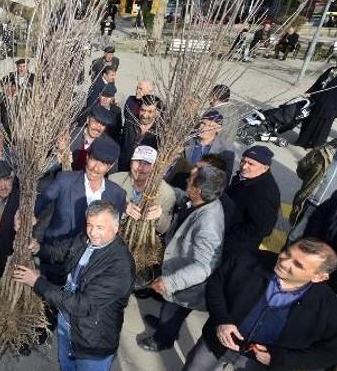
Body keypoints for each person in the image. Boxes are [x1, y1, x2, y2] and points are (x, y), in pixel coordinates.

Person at [182, 239, 337, 371]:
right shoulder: (248, 259)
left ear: (319, 277)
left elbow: (334, 351)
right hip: (216, 342)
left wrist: (281, 359)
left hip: (263, 365)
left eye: (298, 265)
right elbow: (216, 284)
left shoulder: (329, 310)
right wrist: (221, 320)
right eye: (287, 253)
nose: (284, 262)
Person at [14, 201, 135, 371]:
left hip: (91, 341)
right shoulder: (85, 238)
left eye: (100, 227)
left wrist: (37, 282)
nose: (93, 232)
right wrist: (39, 248)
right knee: (66, 365)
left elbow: (82, 304)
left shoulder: (120, 267)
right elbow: (61, 251)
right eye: (89, 225)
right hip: (66, 322)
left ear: (116, 228)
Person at [138, 165, 226, 352]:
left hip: (185, 284)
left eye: (190, 180)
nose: (187, 179)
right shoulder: (202, 200)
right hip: (178, 270)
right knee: (168, 308)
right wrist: (159, 182)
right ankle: (163, 324)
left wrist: (171, 282)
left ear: (198, 191)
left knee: (173, 312)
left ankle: (163, 339)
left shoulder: (208, 224)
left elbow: (204, 266)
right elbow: (182, 197)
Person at [34, 135, 127, 278]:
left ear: (111, 166)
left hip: (88, 267)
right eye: (94, 159)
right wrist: (27, 214)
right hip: (53, 257)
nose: (95, 168)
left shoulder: (117, 194)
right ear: (87, 156)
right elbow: (41, 201)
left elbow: (111, 232)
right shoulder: (65, 180)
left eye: (103, 163)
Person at [288, 131, 337, 243]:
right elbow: (302, 169)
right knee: (295, 241)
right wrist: (311, 184)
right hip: (312, 205)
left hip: (334, 213)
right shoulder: (327, 152)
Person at [223, 146, 280, 256]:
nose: (244, 166)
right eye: (243, 161)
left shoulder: (264, 193)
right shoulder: (247, 178)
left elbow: (263, 229)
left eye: (251, 164)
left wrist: (229, 233)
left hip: (235, 248)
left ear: (265, 167)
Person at [109, 145, 177, 235]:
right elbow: (100, 209)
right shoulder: (114, 180)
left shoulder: (167, 194)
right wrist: (121, 207)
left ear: (155, 168)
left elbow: (164, 229)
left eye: (147, 163)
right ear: (130, 163)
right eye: (137, 161)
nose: (140, 168)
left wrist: (159, 216)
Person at [303, 175, 337, 296]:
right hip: (314, 251)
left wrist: (329, 260)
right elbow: (317, 217)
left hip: (336, 271)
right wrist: (313, 242)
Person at [166, 110, 235, 189]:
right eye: (203, 123)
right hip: (176, 184)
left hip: (200, 191)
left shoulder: (226, 149)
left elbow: (225, 179)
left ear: (218, 129)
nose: (204, 128)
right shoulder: (187, 139)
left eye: (210, 126)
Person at [296, 54, 337, 149]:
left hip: (333, 104)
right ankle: (303, 141)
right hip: (318, 100)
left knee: (323, 127)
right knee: (310, 121)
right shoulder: (331, 70)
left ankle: (315, 146)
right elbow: (318, 83)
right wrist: (309, 92)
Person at [118, 95, 161, 172]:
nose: (144, 115)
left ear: (157, 113)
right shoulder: (130, 122)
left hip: (142, 173)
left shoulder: (159, 132)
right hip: (122, 168)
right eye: (142, 110)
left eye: (150, 111)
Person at [69, 104, 117, 171]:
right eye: (95, 122)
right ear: (88, 120)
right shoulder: (71, 134)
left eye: (103, 125)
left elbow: (111, 175)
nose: (98, 128)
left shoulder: (110, 147)